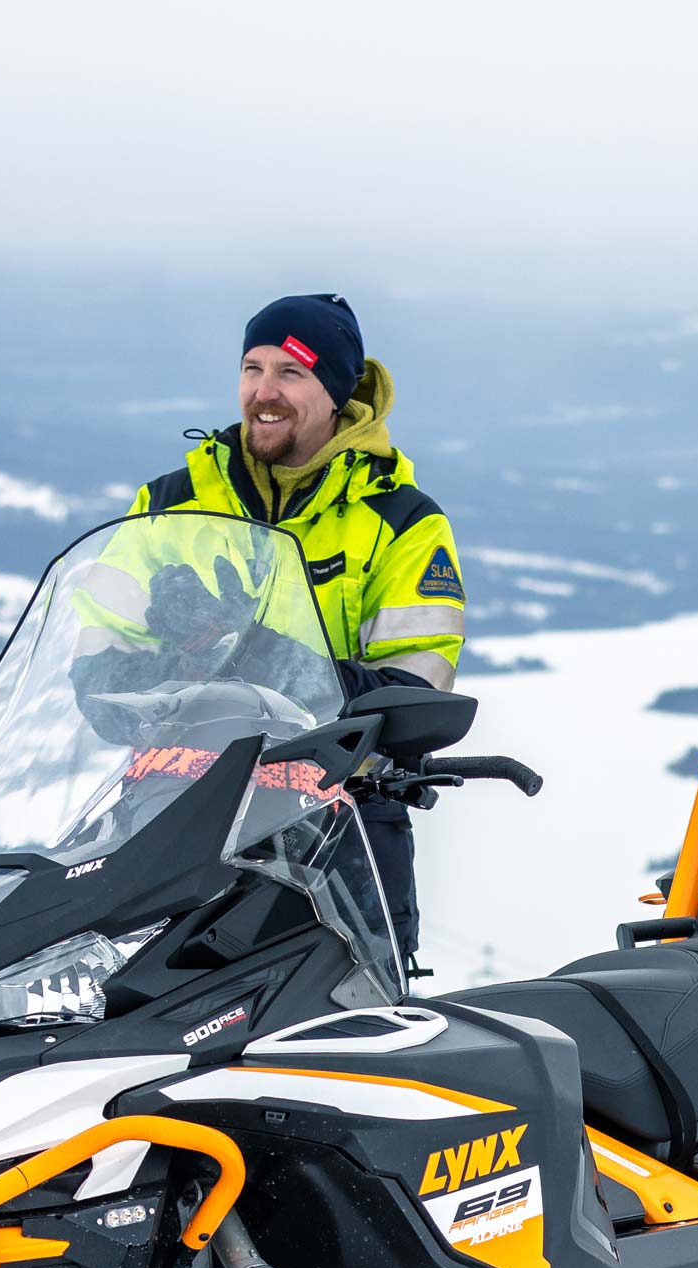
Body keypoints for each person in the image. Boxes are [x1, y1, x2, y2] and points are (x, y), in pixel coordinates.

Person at [109, 293, 467, 963]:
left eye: (290, 373)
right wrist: (161, 662)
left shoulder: (401, 521)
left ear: (334, 391)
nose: (262, 393)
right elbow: (93, 670)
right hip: (170, 819)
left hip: (335, 833)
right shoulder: (169, 505)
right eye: (251, 368)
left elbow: (416, 695)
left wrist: (259, 656)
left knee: (333, 1057)